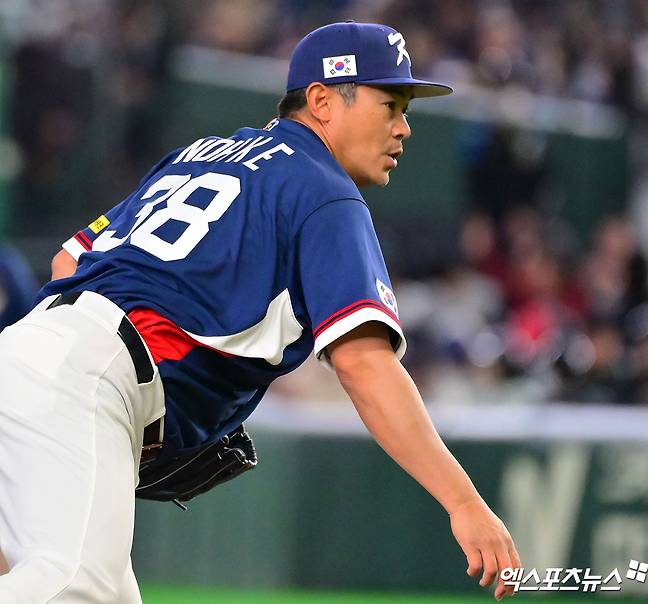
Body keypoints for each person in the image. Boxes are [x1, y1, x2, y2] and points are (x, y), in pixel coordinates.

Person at [0, 21, 521, 602]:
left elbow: (68, 259)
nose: (404, 127)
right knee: (74, 589)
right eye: (389, 104)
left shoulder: (200, 154)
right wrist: (464, 502)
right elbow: (364, 365)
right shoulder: (323, 190)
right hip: (93, 375)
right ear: (322, 100)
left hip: (32, 352)